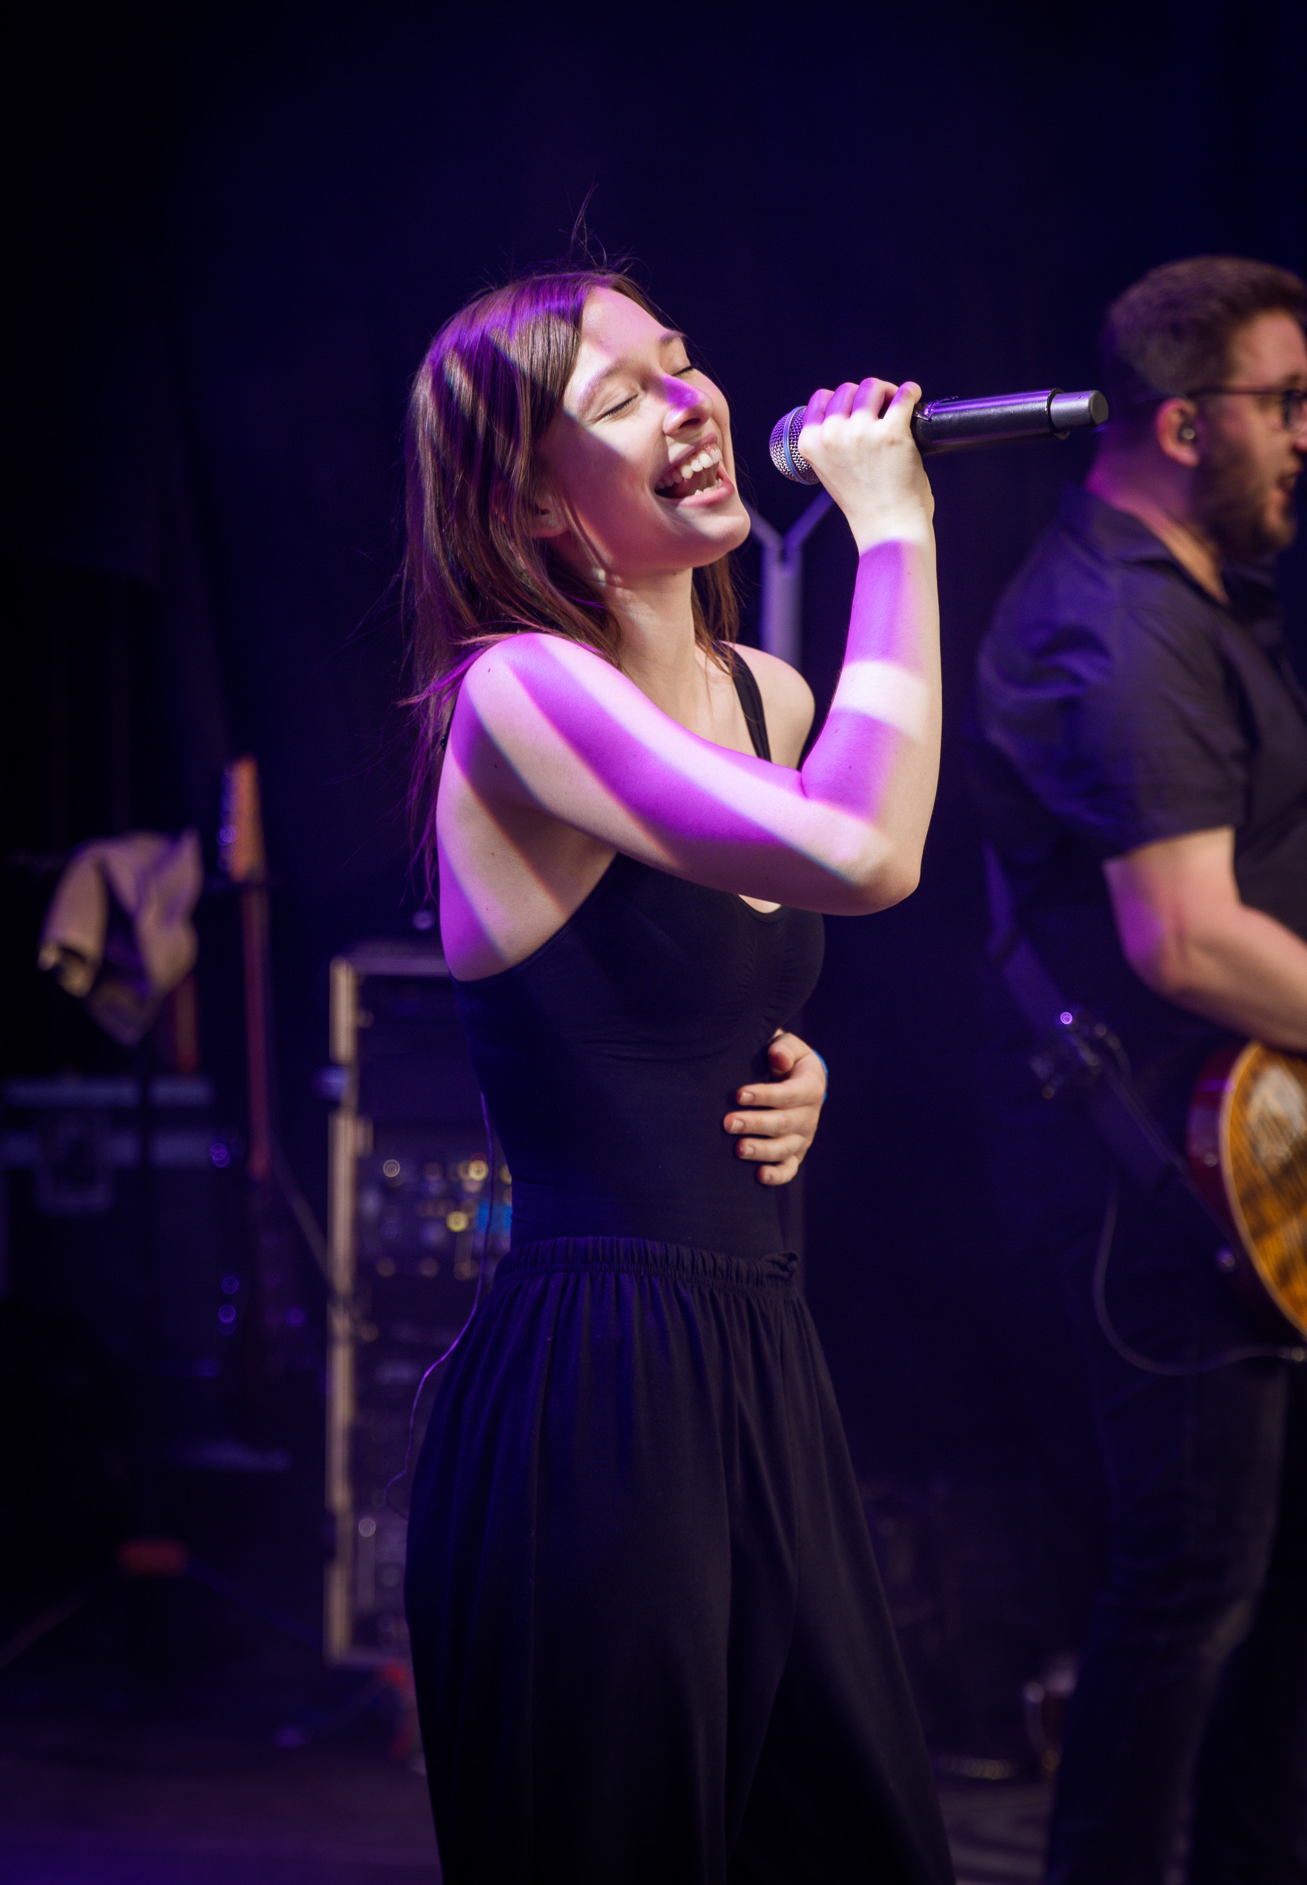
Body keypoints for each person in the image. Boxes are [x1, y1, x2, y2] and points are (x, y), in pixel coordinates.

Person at [400, 263, 953, 1883]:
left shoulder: (765, 697)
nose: (690, 403)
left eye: (682, 362)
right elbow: (861, 850)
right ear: (530, 500)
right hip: (599, 1380)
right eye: (622, 396)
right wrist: (894, 534)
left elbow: (719, 961)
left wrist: (787, 1066)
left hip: (760, 1355)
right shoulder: (517, 692)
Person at [971, 255, 1307, 1885]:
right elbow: (1185, 942)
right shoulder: (1117, 625)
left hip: (1275, 1163)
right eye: (1288, 401)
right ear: (1186, 423)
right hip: (1171, 1187)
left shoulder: (1187, 598)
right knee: (1190, 1584)